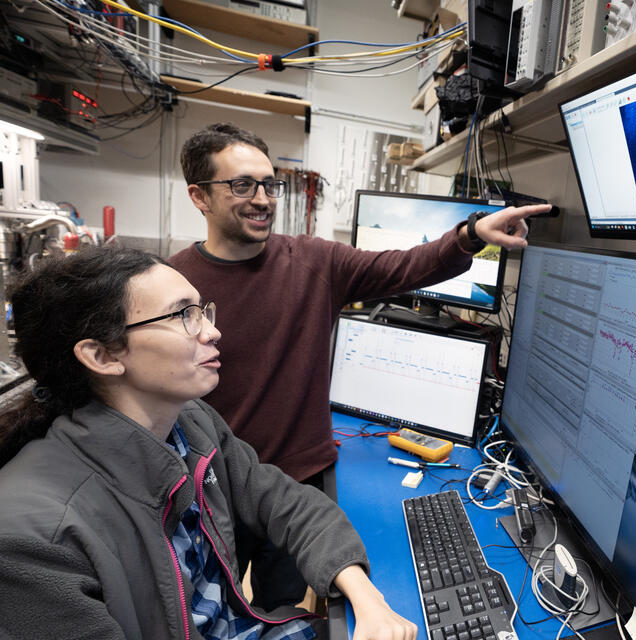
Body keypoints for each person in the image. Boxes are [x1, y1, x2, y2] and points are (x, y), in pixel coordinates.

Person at [167, 122, 551, 608]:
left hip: (297, 486)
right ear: (199, 196)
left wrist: (470, 235)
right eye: (242, 185)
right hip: (214, 486)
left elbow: (403, 266)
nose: (262, 199)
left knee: (280, 610)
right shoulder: (173, 284)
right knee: (211, 609)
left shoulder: (313, 263)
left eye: (269, 184)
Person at [0, 246, 417, 640]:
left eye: (202, 311)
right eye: (183, 315)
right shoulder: (33, 540)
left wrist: (368, 599)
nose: (213, 331)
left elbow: (285, 501)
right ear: (102, 356)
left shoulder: (189, 422)